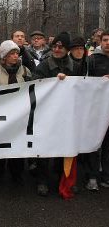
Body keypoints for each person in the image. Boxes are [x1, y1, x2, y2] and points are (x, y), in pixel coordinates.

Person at [32, 32, 83, 197]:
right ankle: (42, 181)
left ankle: (64, 178)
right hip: (47, 115)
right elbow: (35, 84)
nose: (57, 49)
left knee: (66, 148)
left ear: (67, 49)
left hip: (67, 115)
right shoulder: (44, 65)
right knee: (44, 149)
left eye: (61, 47)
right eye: (55, 46)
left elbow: (82, 88)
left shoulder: (75, 67)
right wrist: (53, 81)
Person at [0, 40, 31, 186]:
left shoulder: (25, 70)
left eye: (17, 53)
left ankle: (16, 174)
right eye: (12, 53)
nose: (15, 56)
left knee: (17, 144)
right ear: (4, 56)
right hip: (0, 116)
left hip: (19, 116)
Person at [84, 31, 109, 191]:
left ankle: (106, 176)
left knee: (108, 145)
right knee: (94, 143)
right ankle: (92, 176)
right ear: (100, 41)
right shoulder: (92, 59)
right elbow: (86, 82)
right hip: (97, 109)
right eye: (105, 40)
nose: (108, 43)